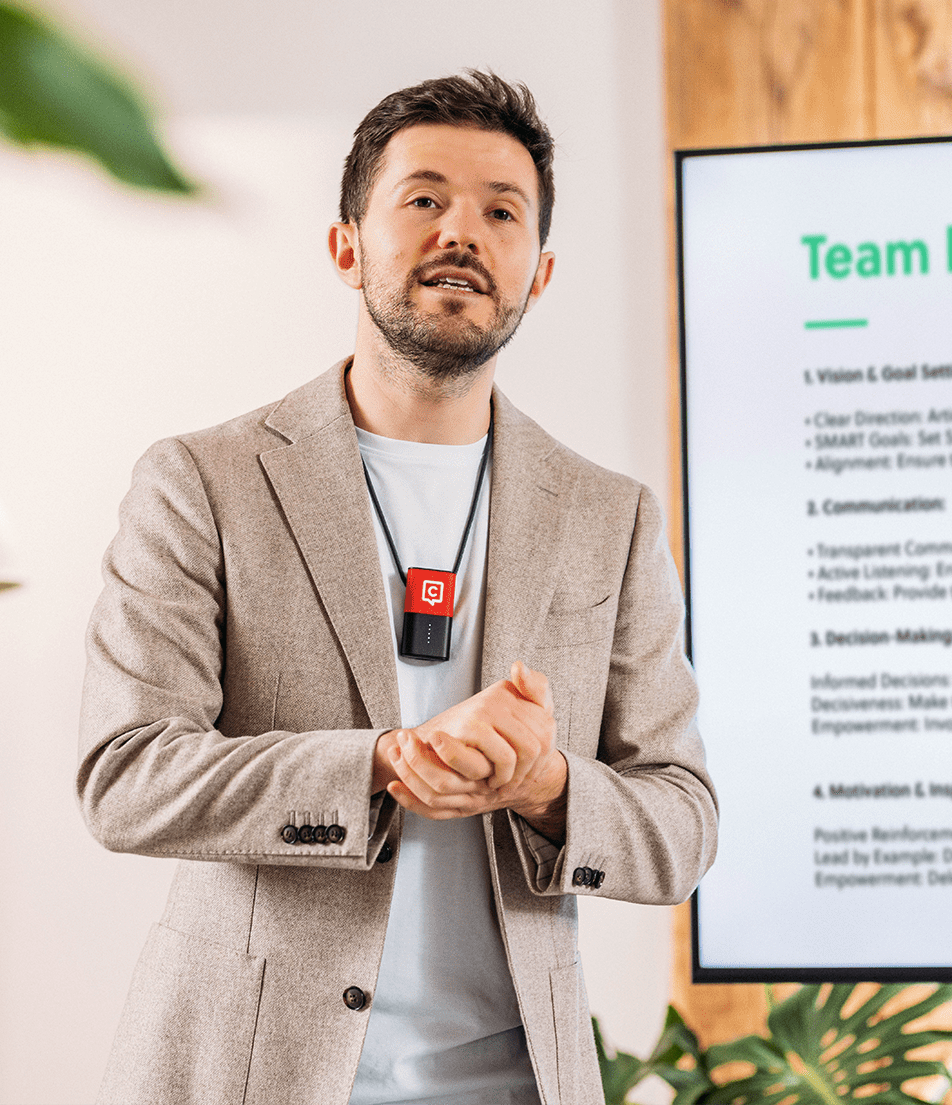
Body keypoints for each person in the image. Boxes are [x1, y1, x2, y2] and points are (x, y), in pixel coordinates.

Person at [78, 70, 717, 1105]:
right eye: (423, 199)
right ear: (347, 247)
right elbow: (126, 774)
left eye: (500, 212)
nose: (461, 231)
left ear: (539, 273)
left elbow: (681, 826)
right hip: (254, 1075)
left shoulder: (613, 516)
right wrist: (378, 765)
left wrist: (545, 787)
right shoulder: (204, 482)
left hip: (516, 1082)